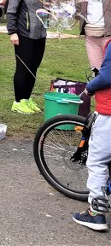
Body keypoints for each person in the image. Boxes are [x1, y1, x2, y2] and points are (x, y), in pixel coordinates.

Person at [71, 37, 111, 231]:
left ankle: (96, 214)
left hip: (109, 112)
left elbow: (107, 76)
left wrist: (89, 88)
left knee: (97, 161)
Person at [6, 0, 49, 115]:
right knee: (23, 68)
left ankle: (27, 99)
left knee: (33, 68)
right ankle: (18, 102)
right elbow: (11, 12)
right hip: (24, 34)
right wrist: (12, 32)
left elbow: (47, 6)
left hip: (40, 34)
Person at [78, 0, 111, 70]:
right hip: (91, 36)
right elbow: (78, 13)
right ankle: (97, 88)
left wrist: (90, 0)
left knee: (108, 72)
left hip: (108, 37)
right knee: (96, 71)